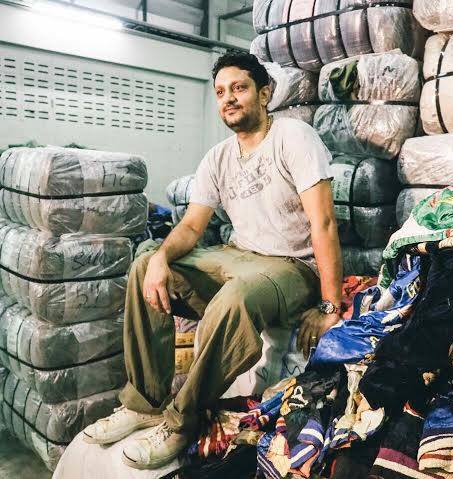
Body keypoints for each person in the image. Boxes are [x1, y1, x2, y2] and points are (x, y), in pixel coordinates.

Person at [83, 51, 343, 470]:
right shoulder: (218, 157)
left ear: (264, 94)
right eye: (221, 92)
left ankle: (181, 420)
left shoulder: (293, 137)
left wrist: (330, 307)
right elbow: (190, 227)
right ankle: (145, 402)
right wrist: (161, 257)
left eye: (239, 88)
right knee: (145, 262)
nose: (229, 99)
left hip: (292, 265)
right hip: (238, 255)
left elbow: (324, 223)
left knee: (237, 296)